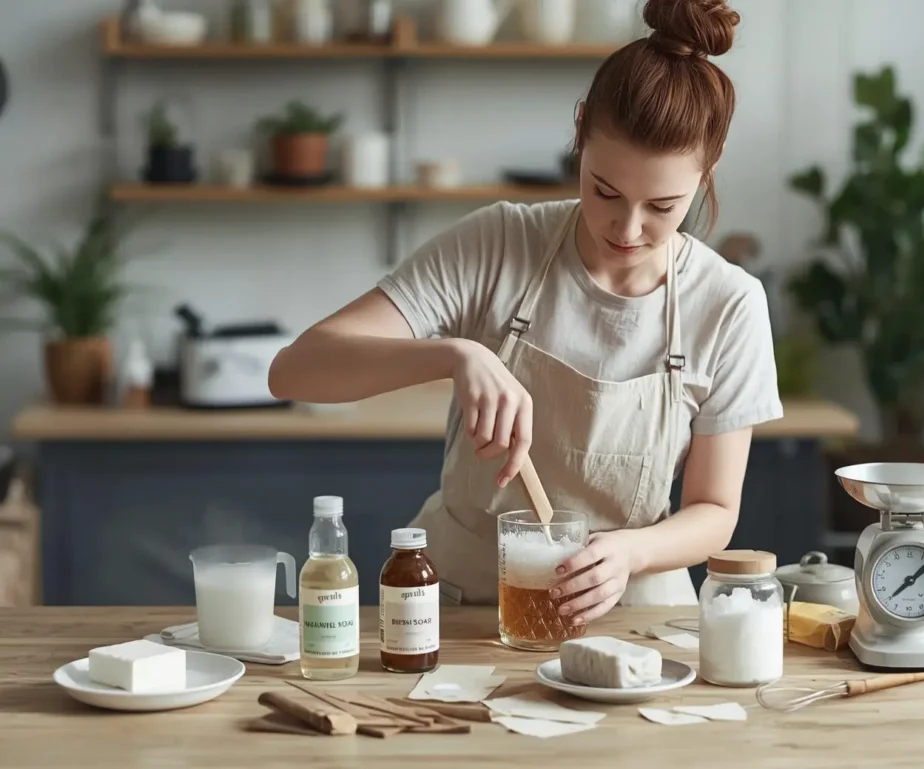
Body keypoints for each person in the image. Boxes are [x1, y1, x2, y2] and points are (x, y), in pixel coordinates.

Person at [269, 0, 783, 623]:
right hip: (463, 614)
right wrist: (454, 354)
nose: (627, 228)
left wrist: (631, 551)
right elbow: (295, 371)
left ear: (710, 168)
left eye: (664, 206)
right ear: (580, 128)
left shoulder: (728, 303)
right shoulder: (498, 245)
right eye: (605, 190)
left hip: (631, 616)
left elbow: (715, 511)